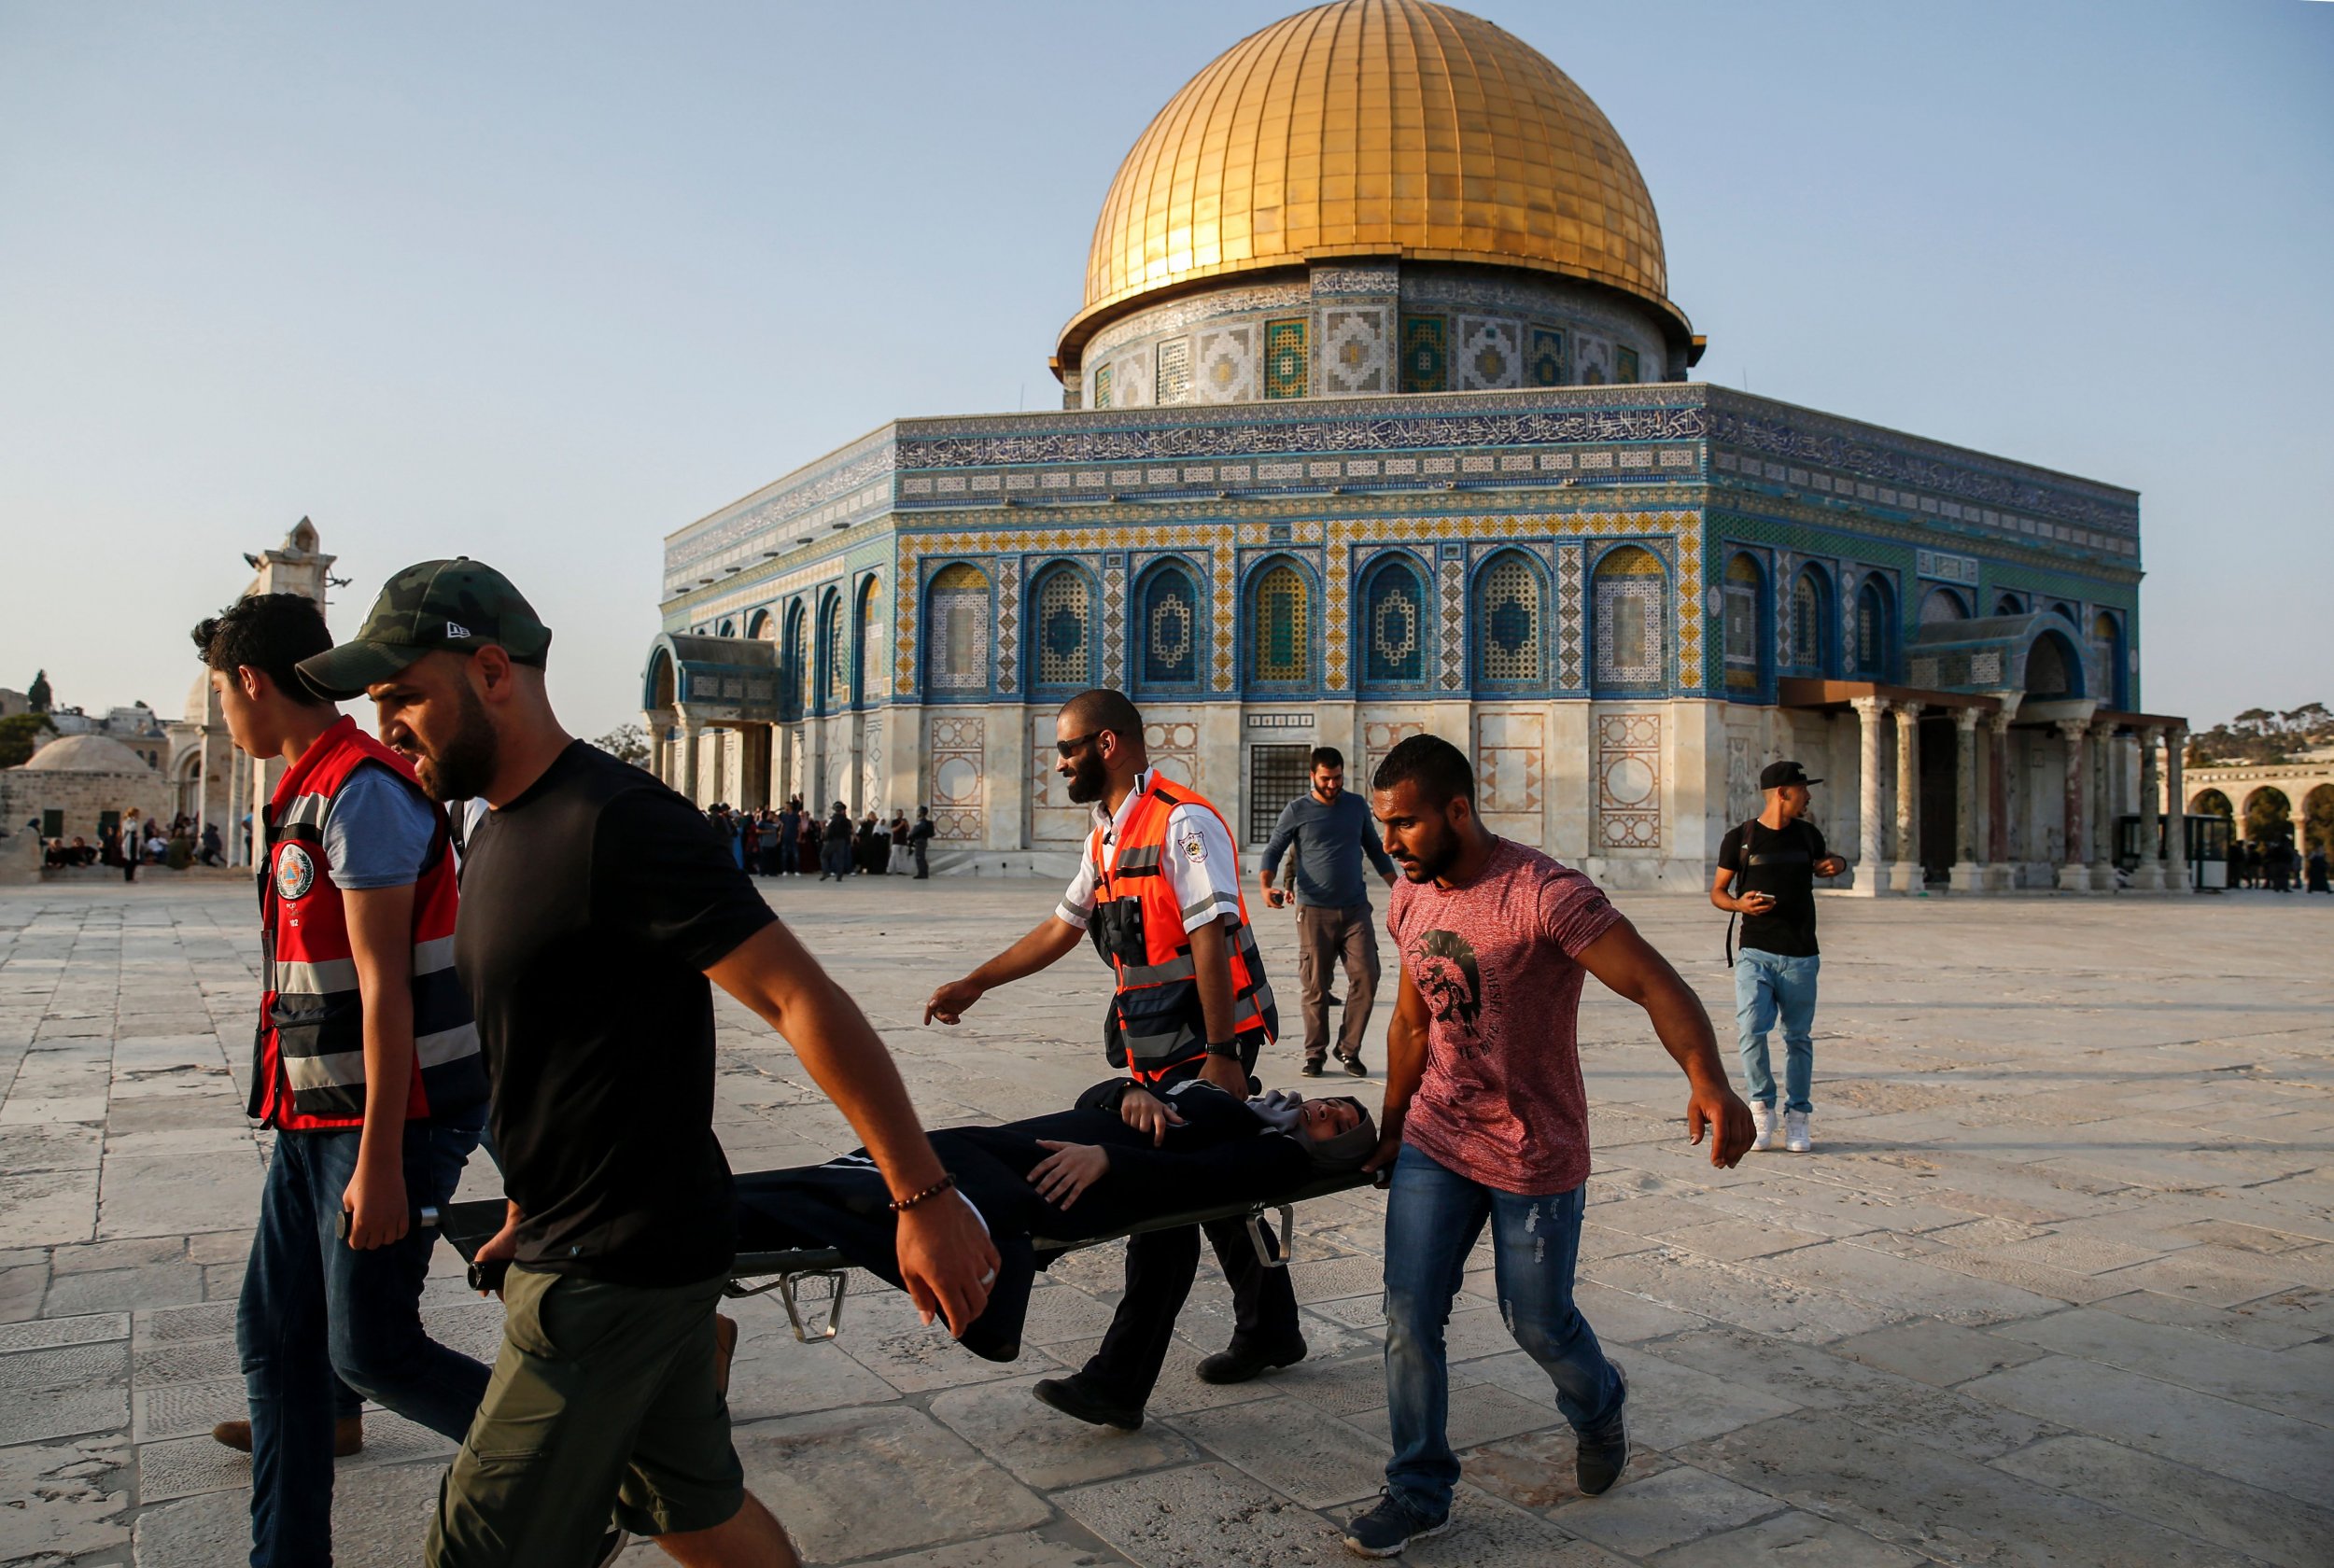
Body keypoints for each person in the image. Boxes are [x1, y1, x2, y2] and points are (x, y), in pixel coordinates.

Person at [300, 558, 997, 1568]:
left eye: (403, 695)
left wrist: (921, 1195)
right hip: (607, 1242)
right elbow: (560, 1055)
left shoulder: (619, 822)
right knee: (695, 1514)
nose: (387, 725)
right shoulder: (492, 835)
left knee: (478, 1549)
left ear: (492, 671)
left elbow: (796, 997)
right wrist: (526, 1207)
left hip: (608, 1271)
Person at [1341, 735, 1753, 1557]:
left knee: (1537, 1323)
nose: (1390, 844)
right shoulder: (1408, 899)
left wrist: (1707, 1076)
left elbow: (1651, 982)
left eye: (1408, 825)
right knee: (1407, 1315)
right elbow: (1411, 1019)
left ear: (1458, 809)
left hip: (1533, 1149)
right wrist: (1392, 1130)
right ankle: (1418, 1487)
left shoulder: (1544, 893)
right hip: (1436, 1134)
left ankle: (1599, 1403)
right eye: (1384, 826)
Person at [190, 592, 494, 1568]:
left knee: (369, 1349)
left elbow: (384, 992)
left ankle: (593, 1458)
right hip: (317, 1117)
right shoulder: (313, 785)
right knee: (276, 1340)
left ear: (248, 681)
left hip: (383, 1122)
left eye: (222, 692)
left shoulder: (358, 789)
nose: (226, 715)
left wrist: (381, 1165)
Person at [925, 688, 1307, 1402]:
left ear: (1106, 745)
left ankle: (1116, 1384)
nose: (1060, 763)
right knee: (1213, 1190)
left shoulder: (1181, 822)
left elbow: (1209, 934)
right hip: (1158, 1044)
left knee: (1154, 1206)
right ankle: (1271, 1328)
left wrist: (1224, 1055)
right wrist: (976, 983)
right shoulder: (1105, 835)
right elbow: (1061, 928)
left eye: (1068, 749)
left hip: (1208, 1043)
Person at [733, 1077, 1373, 1379]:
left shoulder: (1279, 1155)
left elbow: (1204, 1180)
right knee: (891, 1171)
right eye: (1334, 1101)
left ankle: (716, 1215)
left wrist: (1108, 1159)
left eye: (1338, 1126)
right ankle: (722, 1206)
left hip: (1062, 1179)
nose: (1324, 1111)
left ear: (1334, 1152)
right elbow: (1107, 1100)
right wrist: (1126, 1091)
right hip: (1037, 1144)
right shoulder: (1251, 1108)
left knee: (884, 1193)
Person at [1708, 760, 1848, 1154]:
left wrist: (1836, 864)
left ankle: (1799, 1116)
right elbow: (1718, 892)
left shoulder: (1808, 835)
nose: (1809, 796)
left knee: (1798, 1037)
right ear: (1783, 793)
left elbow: (1827, 864)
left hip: (1801, 953)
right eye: (1803, 789)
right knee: (1751, 1029)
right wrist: (1740, 904)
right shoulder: (1741, 838)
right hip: (1755, 951)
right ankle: (1761, 1107)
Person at [1259, 746, 1399, 1079]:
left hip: (1355, 909)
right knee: (1316, 987)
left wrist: (1400, 887)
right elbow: (1274, 850)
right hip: (1314, 911)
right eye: (1326, 779)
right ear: (1313, 776)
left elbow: (1376, 850)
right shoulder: (1297, 810)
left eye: (1338, 778)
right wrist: (1266, 886)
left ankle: (1349, 1049)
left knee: (1367, 976)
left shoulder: (1355, 806)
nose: (1333, 784)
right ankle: (1315, 1054)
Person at [821, 801, 852, 881]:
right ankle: (839, 877)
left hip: (832, 840)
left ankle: (826, 872)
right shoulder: (846, 820)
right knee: (840, 859)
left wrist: (825, 838)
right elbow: (849, 830)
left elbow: (828, 830)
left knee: (823, 855)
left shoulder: (832, 819)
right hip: (842, 841)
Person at [775, 799, 801, 876]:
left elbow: (799, 827)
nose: (785, 807)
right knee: (784, 854)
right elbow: (782, 826)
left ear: (790, 806)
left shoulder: (796, 815)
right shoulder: (783, 815)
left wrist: (799, 836)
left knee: (795, 854)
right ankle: (784, 870)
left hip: (794, 836)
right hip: (785, 836)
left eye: (787, 806)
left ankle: (796, 870)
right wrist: (779, 836)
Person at [910, 805, 935, 879]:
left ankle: (922, 873)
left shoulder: (921, 822)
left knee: (919, 857)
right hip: (923, 841)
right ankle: (924, 873)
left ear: (921, 812)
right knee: (922, 857)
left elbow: (914, 832)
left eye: (919, 811)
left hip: (920, 841)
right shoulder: (924, 822)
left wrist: (910, 836)